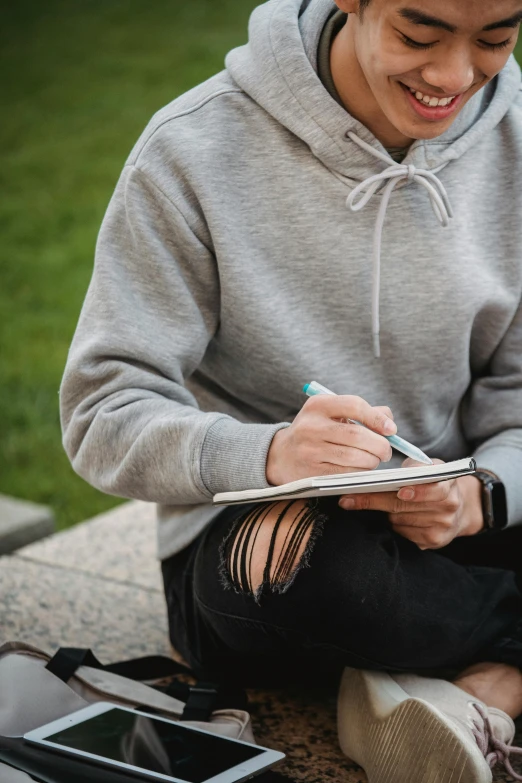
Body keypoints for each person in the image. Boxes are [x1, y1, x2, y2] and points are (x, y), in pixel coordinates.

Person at [60, 0, 522, 779]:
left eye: (496, 39)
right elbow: (100, 413)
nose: (453, 76)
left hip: (464, 521)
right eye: (419, 33)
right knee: (306, 571)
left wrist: (480, 491)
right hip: (275, 538)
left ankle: (465, 684)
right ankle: (498, 670)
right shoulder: (193, 149)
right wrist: (272, 452)